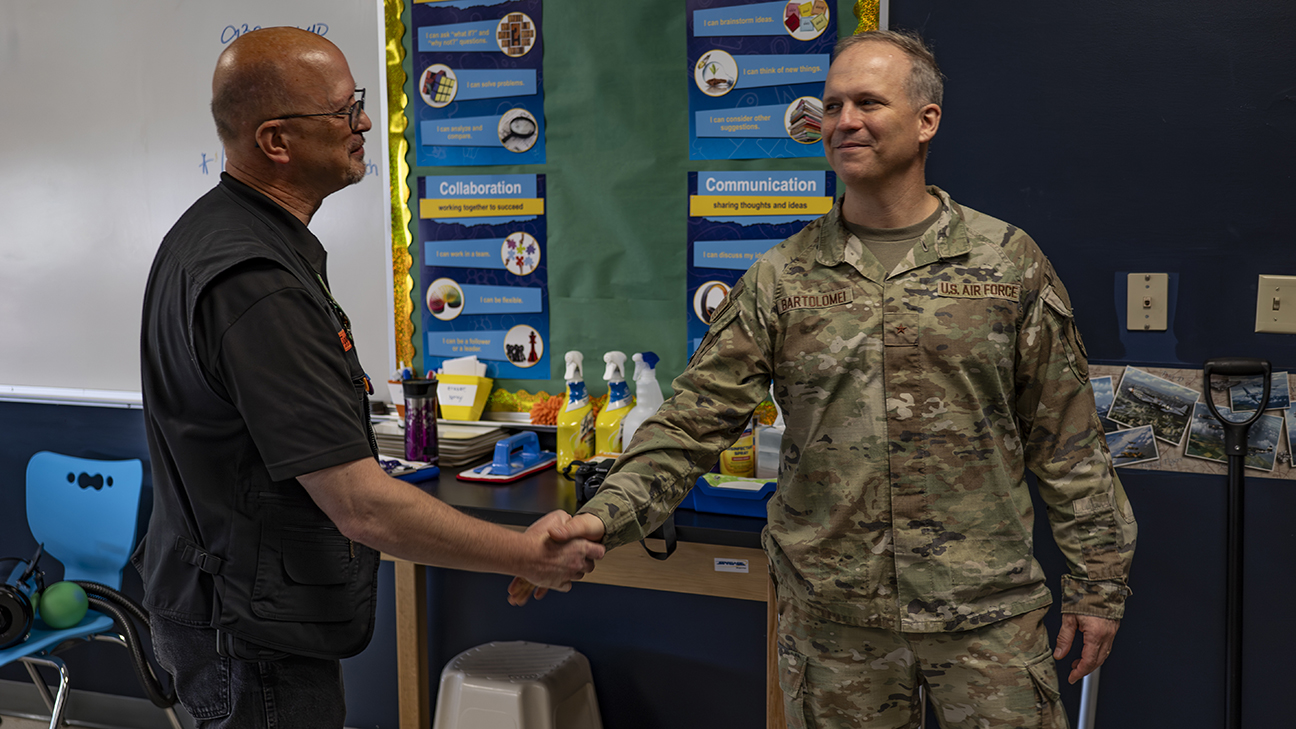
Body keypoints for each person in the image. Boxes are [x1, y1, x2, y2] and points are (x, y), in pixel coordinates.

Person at [511, 29, 1136, 729]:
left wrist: (1099, 583)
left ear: (927, 120)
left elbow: (1068, 439)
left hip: (984, 613)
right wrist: (602, 515)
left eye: (868, 102)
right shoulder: (782, 278)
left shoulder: (1005, 262)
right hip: (838, 621)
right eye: (832, 105)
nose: (844, 121)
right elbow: (693, 422)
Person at [137, 27, 603, 728]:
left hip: (232, 611)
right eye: (343, 110)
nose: (363, 123)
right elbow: (362, 505)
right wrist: (524, 553)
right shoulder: (256, 283)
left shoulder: (224, 234)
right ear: (276, 141)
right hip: (250, 642)